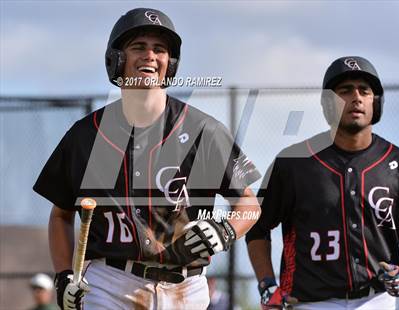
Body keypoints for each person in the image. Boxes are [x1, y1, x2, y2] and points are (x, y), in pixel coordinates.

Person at [33, 7, 261, 310]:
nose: (150, 56)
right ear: (116, 59)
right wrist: (63, 276)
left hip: (187, 286)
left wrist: (226, 229)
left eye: (160, 49)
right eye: (138, 46)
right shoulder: (86, 134)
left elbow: (249, 204)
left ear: (171, 63)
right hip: (109, 283)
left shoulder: (202, 130)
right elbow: (60, 215)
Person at [246, 56, 399, 309]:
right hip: (309, 302)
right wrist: (267, 285)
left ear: (376, 102)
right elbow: (256, 227)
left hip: (377, 300)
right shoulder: (293, 163)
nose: (356, 98)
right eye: (345, 91)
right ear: (329, 103)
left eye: (364, 90)